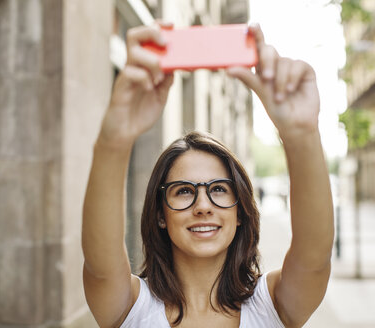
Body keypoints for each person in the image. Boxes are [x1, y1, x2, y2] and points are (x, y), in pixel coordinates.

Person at [82, 22, 334, 328]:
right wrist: (114, 141)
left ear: (240, 211)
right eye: (184, 191)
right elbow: (100, 267)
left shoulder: (275, 304)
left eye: (219, 189)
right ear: (161, 214)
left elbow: (315, 257)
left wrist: (302, 135)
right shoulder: (130, 307)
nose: (203, 205)